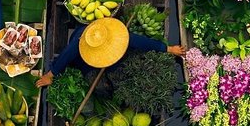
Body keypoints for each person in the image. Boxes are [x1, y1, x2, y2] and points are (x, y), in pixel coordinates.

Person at [35, 17, 185, 88]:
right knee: (84, 70)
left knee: (118, 65)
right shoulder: (78, 45)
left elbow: (143, 42)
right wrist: (50, 75)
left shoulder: (119, 37)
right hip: (84, 59)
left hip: (105, 47)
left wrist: (169, 49)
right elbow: (65, 57)